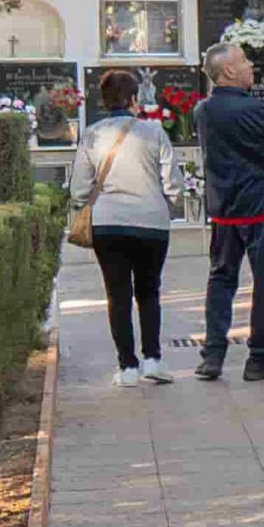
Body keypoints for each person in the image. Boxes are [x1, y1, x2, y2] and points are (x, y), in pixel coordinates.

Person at [194, 42, 264, 382]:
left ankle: (212, 354)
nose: (251, 65)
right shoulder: (254, 110)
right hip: (260, 207)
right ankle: (260, 356)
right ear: (228, 71)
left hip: (224, 208)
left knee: (221, 279)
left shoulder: (203, 111)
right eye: (244, 61)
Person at [70, 68, 178, 387]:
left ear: (103, 101)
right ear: (134, 99)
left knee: (117, 294)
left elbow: (78, 188)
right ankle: (153, 360)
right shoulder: (154, 132)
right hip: (151, 223)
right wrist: (165, 203)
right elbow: (173, 182)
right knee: (149, 291)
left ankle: (127, 367)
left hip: (108, 224)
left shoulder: (91, 134)